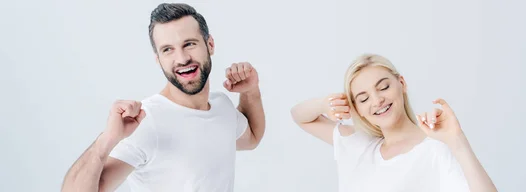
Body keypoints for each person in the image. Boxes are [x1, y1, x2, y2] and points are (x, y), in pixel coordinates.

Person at [61, 3, 265, 192]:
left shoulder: (222, 107)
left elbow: (253, 138)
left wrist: (250, 91)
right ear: (158, 59)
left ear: (210, 44)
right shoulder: (145, 122)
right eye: (168, 50)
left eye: (189, 44)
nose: (182, 58)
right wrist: (107, 140)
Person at [291, 53, 497, 192]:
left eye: (383, 87)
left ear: (401, 84)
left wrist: (457, 141)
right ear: (358, 109)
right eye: (363, 99)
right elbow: (299, 116)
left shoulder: (435, 148)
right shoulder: (358, 144)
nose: (377, 100)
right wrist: (325, 104)